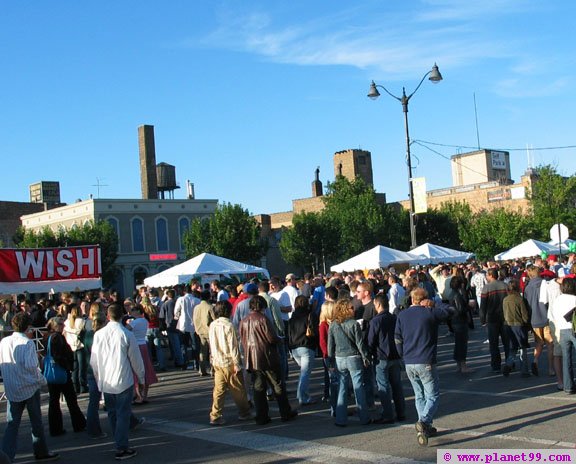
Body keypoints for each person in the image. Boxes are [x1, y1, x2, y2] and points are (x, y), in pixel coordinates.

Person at [395, 288, 452, 446]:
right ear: (425, 299)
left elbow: (397, 338)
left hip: (409, 360)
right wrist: (434, 304)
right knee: (432, 395)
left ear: (412, 299)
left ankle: (425, 428)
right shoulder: (430, 312)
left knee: (419, 395)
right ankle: (425, 421)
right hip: (425, 359)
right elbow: (451, 311)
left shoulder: (402, 315)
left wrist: (403, 355)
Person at [0, 312, 59, 462]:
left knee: (12, 424)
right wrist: (43, 381)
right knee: (36, 422)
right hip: (29, 387)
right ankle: (41, 451)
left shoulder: (4, 342)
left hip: (12, 387)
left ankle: (6, 456)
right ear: (28, 327)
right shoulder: (27, 344)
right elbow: (32, 367)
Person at [90, 303, 145, 460]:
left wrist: (98, 378)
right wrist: (140, 379)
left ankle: (119, 442)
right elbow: (136, 360)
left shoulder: (99, 335)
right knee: (122, 414)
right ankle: (121, 446)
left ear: (108, 316)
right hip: (123, 379)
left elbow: (94, 361)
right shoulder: (126, 334)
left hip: (106, 380)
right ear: (122, 316)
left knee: (113, 413)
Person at [239, 295, 297, 425]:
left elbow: (242, 340)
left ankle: (261, 416)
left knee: (258, 389)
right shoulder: (263, 319)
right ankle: (285, 412)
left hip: (252, 359)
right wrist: (280, 340)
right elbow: (271, 338)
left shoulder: (244, 321)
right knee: (277, 385)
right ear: (263, 307)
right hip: (267, 356)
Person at [327, 298, 372, 427]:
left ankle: (340, 419)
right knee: (358, 387)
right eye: (351, 308)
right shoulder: (354, 324)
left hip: (339, 358)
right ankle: (364, 417)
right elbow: (360, 343)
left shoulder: (333, 324)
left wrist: (330, 362)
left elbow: (331, 346)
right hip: (353, 357)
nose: (354, 309)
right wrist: (366, 357)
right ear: (346, 309)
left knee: (342, 388)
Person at [208, 300, 253, 425]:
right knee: (238, 390)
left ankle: (215, 415)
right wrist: (238, 363)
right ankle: (244, 413)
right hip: (229, 362)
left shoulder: (212, 325)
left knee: (219, 390)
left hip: (217, 361)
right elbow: (233, 346)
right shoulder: (229, 325)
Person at [44, 317, 87, 437]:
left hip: (52, 373)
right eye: (61, 324)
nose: (63, 326)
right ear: (55, 325)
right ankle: (79, 424)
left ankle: (55, 428)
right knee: (71, 400)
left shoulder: (47, 336)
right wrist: (68, 366)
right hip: (61, 372)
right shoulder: (57, 337)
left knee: (54, 401)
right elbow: (59, 355)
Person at [367, 294, 405, 424]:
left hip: (381, 356)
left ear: (377, 305)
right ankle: (401, 412)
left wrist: (369, 354)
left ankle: (388, 414)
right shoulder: (395, 318)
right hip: (395, 355)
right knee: (397, 386)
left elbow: (371, 341)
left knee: (383, 387)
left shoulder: (375, 321)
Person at [523, 265, 554, 377]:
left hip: (534, 319)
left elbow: (526, 305)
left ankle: (535, 360)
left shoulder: (527, 288)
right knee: (550, 344)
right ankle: (551, 369)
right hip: (546, 317)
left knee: (539, 343)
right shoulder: (545, 284)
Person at [288, 295, 318, 406]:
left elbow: (289, 334)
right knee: (305, 372)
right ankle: (303, 396)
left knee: (303, 372)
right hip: (307, 345)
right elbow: (315, 331)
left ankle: (300, 394)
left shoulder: (292, 317)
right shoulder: (310, 315)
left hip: (294, 347)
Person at [480, 268, 510, 373]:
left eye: (487, 275)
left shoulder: (486, 288)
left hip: (492, 318)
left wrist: (482, 319)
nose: (486, 277)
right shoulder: (505, 286)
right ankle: (509, 362)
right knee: (507, 342)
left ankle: (496, 365)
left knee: (493, 343)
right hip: (505, 317)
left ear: (491, 275)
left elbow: (483, 306)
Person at [550, 277, 576, 394]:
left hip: (562, 329)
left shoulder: (558, 300)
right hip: (573, 329)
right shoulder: (574, 299)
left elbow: (554, 315)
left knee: (566, 359)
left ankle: (568, 386)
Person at [128, 305, 158, 404]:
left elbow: (126, 330)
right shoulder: (145, 321)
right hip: (143, 344)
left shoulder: (134, 322)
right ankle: (144, 395)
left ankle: (138, 396)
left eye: (133, 310)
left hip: (136, 346)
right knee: (146, 369)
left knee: (136, 371)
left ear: (137, 311)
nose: (131, 312)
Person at [502, 280, 531, 377]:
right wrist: (527, 323)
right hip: (519, 325)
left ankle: (508, 364)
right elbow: (524, 315)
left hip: (508, 325)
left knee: (513, 348)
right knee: (523, 348)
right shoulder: (520, 299)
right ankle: (524, 371)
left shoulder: (505, 299)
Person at [449, 276, 473, 373]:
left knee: (458, 343)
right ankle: (463, 366)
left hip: (454, 321)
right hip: (460, 321)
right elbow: (460, 310)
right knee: (462, 344)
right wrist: (469, 307)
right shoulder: (457, 295)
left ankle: (459, 365)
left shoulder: (452, 293)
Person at [318, 301, 338, 414]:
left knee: (335, 380)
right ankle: (334, 408)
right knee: (333, 381)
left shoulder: (332, 323)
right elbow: (323, 343)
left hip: (335, 355)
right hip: (329, 356)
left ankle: (336, 407)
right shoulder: (323, 325)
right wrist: (328, 355)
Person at [63, 304, 88, 394]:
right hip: (79, 345)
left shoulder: (67, 322)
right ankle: (83, 386)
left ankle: (75, 386)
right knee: (82, 367)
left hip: (71, 346)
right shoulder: (81, 321)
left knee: (74, 368)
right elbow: (80, 331)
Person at [193, 290, 215, 376]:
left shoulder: (196, 307)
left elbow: (194, 319)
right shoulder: (210, 307)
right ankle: (212, 370)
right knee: (212, 351)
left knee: (202, 351)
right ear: (209, 297)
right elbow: (214, 319)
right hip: (209, 331)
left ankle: (202, 369)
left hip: (200, 331)